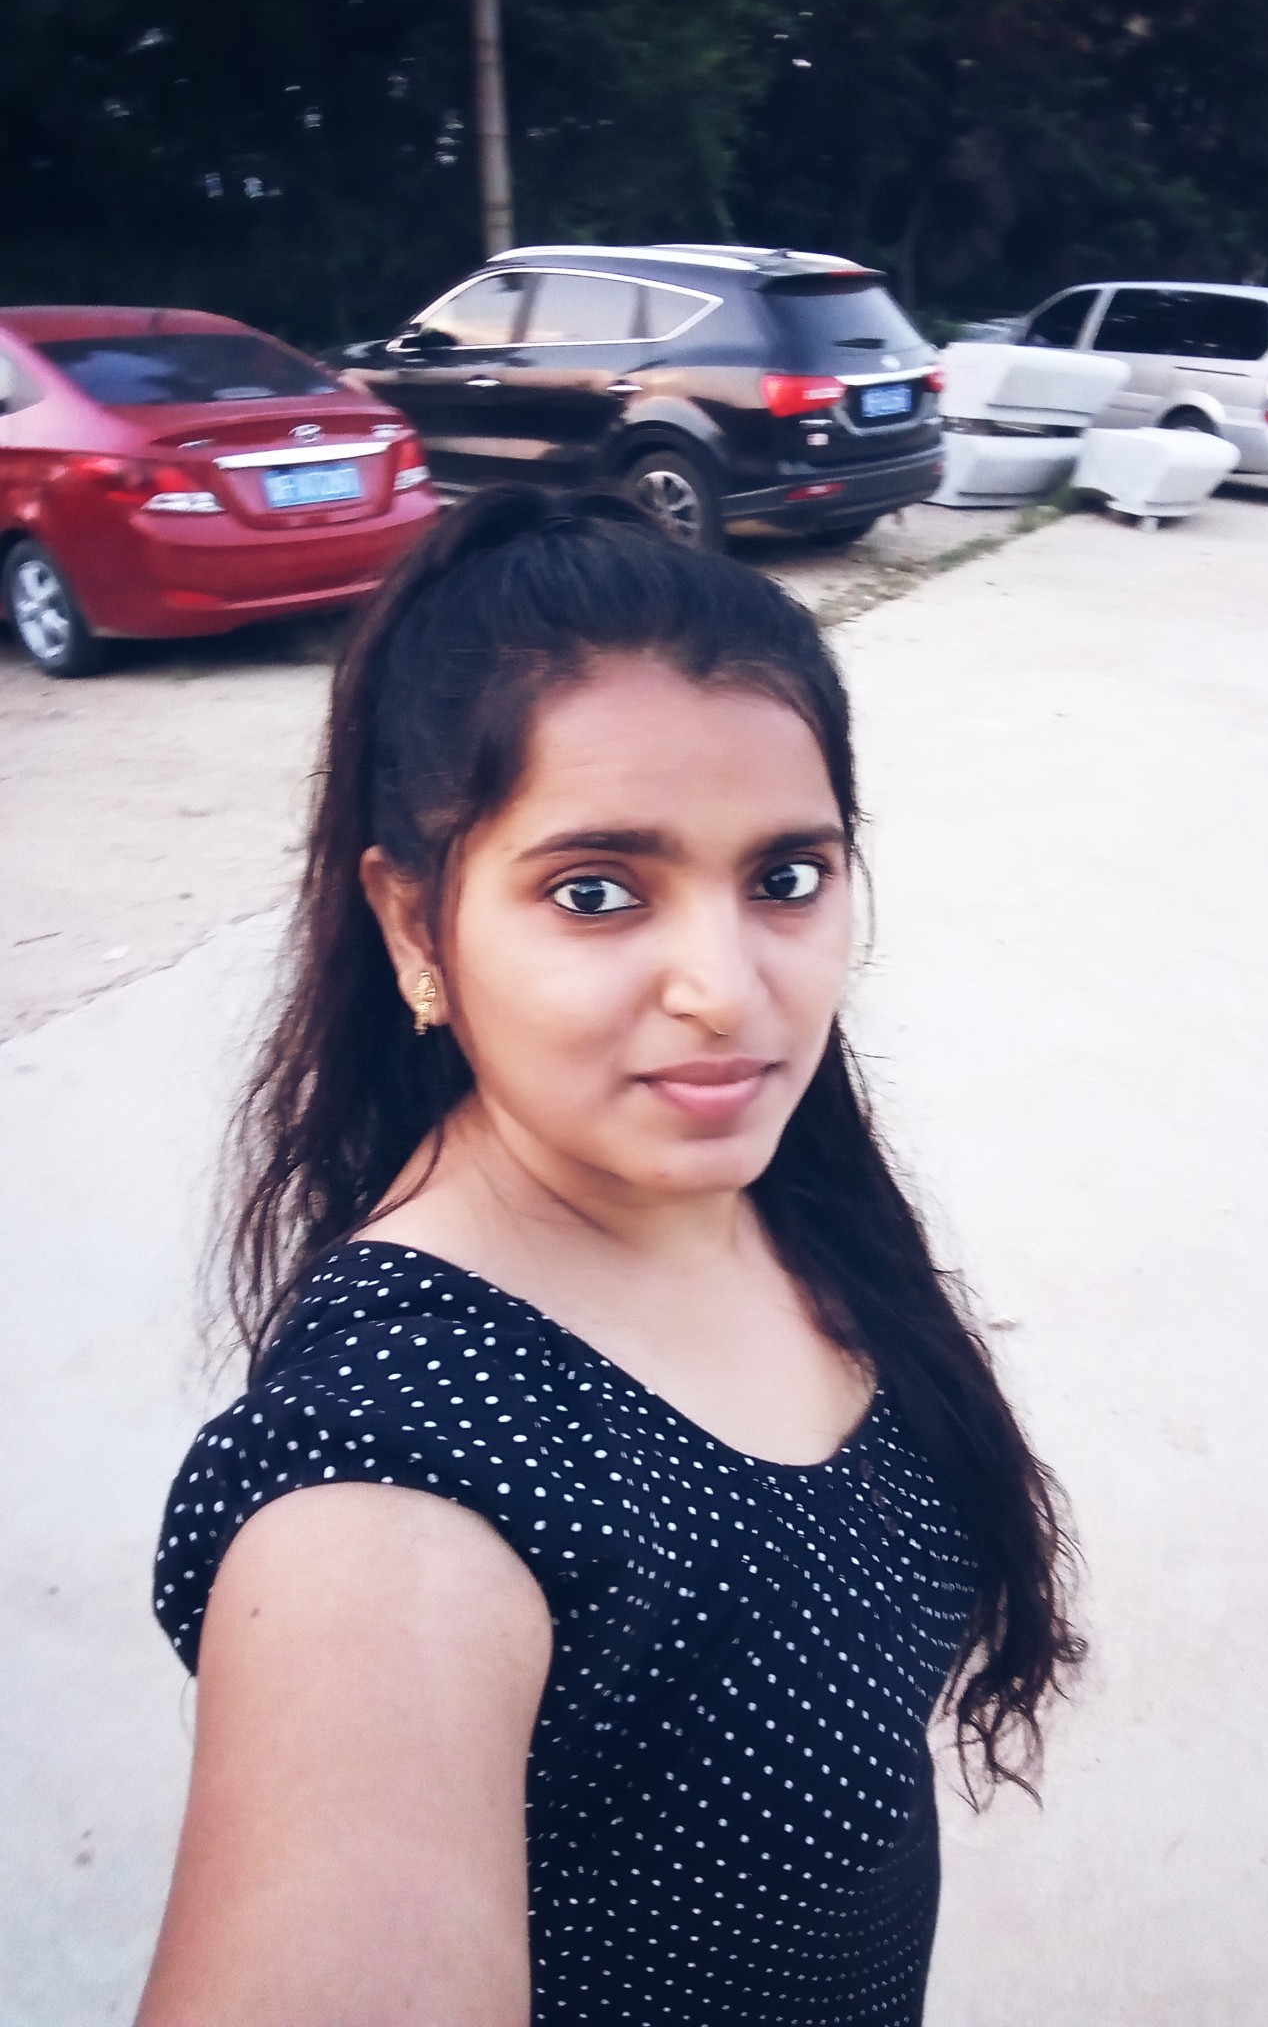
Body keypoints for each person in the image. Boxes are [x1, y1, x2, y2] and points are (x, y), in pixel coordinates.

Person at [137, 489, 1081, 2027]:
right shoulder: (391, 1492)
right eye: (596, 892)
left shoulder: (776, 1188)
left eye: (786, 878)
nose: (727, 989)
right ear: (415, 927)